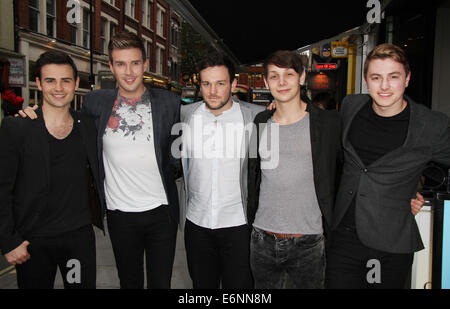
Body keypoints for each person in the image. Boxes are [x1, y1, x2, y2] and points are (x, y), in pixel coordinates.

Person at [19, 31, 181, 289]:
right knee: (129, 282)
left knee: (161, 283)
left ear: (146, 65)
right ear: (111, 67)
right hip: (119, 215)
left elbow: (185, 144)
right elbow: (66, 122)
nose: (129, 71)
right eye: (120, 63)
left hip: (161, 214)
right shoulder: (96, 102)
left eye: (135, 63)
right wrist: (33, 113)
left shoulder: (169, 102)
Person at [326, 43, 450, 289]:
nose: (384, 86)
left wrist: (426, 191)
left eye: (393, 77)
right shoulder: (351, 106)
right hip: (342, 240)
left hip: (390, 246)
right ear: (366, 80)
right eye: (376, 77)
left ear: (407, 79)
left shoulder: (431, 125)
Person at [0, 50, 104, 289]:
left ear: (76, 83)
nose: (59, 87)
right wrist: (8, 241)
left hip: (78, 239)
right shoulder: (17, 128)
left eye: (66, 80)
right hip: (33, 241)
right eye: (50, 80)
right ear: (38, 83)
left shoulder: (87, 125)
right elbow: (2, 189)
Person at [247, 50, 343, 289]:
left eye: (289, 74)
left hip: (309, 242)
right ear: (266, 82)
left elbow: (346, 172)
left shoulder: (328, 124)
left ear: (301, 78)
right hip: (262, 240)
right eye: (274, 76)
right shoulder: (260, 122)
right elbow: (254, 175)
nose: (282, 82)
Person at [179, 52, 264, 289]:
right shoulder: (187, 114)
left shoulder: (255, 116)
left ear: (234, 84)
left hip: (239, 225)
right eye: (206, 83)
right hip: (196, 223)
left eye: (220, 83)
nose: (213, 91)